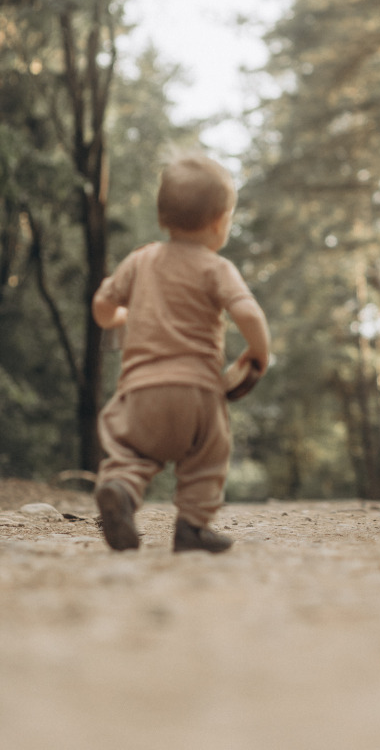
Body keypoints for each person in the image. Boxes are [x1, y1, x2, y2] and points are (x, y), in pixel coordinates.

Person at [92, 152, 271, 554]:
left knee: (132, 452)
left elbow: (102, 306)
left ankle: (120, 488)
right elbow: (248, 313)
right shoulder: (217, 268)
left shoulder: (139, 261)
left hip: (141, 392)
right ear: (219, 223)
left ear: (162, 218)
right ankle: (191, 527)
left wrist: (122, 316)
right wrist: (258, 354)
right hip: (199, 394)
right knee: (207, 459)